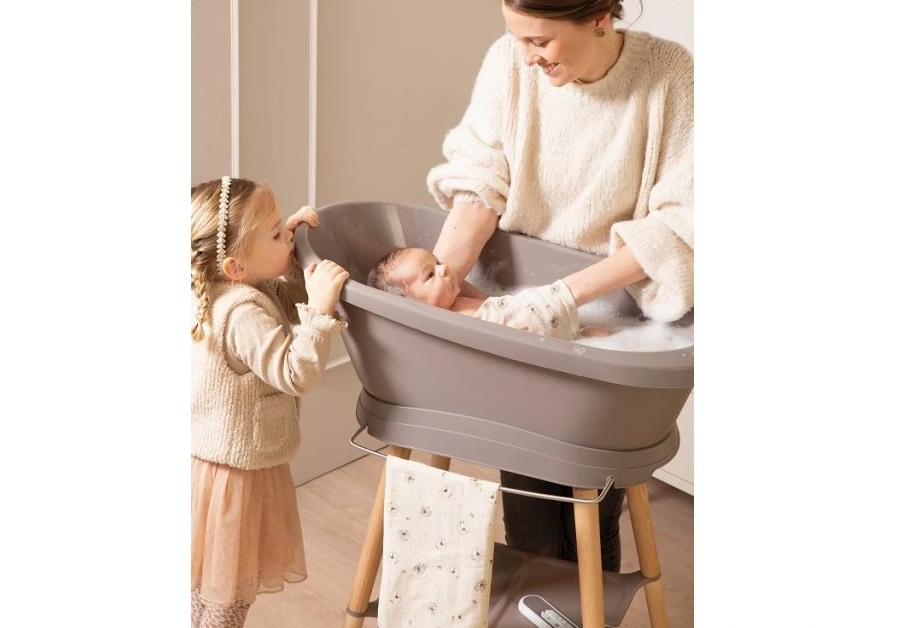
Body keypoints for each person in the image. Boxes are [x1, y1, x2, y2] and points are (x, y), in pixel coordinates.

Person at [426, 0, 693, 572]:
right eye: (517, 38)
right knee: (526, 482)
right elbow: (480, 178)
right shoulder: (506, 64)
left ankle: (576, 602)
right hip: (516, 306)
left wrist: (564, 297)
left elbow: (682, 222)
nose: (525, 58)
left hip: (609, 317)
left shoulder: (669, 78)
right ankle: (546, 603)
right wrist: (440, 277)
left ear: (600, 17)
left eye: (539, 41)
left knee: (583, 489)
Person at [190, 176, 350, 627]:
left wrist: (291, 255)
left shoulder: (226, 288)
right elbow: (295, 372)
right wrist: (320, 312)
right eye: (277, 233)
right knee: (231, 594)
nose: (288, 236)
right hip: (240, 477)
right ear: (236, 265)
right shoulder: (242, 313)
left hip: (215, 465)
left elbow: (280, 299)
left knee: (209, 583)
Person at [366, 246, 612, 339]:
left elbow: (492, 302)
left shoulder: (458, 299)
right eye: (430, 274)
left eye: (437, 262)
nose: (444, 268)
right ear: (413, 306)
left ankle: (588, 336)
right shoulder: (448, 324)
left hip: (538, 324)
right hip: (535, 330)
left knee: (591, 334)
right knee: (587, 336)